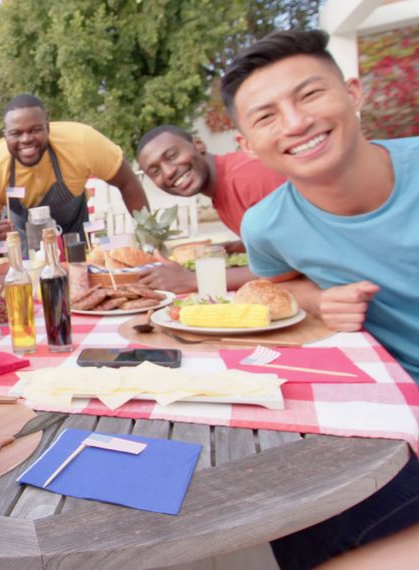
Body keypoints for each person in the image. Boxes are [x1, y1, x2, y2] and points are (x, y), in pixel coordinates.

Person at [221, 29, 419, 569]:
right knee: (287, 499)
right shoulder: (267, 226)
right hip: (391, 416)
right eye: (266, 116)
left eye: (309, 95)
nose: (295, 122)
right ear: (245, 144)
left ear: (353, 93)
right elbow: (282, 289)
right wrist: (321, 297)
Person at [0, 94, 149, 250]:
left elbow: (127, 182)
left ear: (47, 128)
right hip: (24, 241)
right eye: (16, 133)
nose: (26, 139)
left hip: (75, 232)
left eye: (35, 130)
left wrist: (150, 239)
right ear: (5, 137)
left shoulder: (83, 142)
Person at [135, 125, 287, 293]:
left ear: (199, 145)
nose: (169, 172)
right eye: (155, 171)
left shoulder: (248, 175)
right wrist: (239, 246)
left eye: (173, 155)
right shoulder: (220, 192)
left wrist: (192, 280)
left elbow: (294, 260)